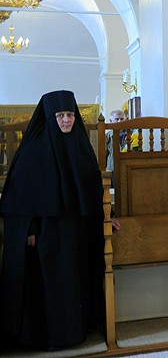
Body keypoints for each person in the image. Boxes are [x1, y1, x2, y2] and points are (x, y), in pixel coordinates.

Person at [1, 90, 110, 351]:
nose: (66, 121)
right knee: (50, 286)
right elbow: (21, 195)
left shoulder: (81, 147)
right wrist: (29, 228)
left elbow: (93, 191)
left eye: (70, 115)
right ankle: (51, 338)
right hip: (46, 232)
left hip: (76, 230)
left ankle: (75, 333)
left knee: (74, 282)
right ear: (50, 118)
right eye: (60, 115)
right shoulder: (32, 151)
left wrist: (107, 219)